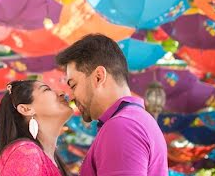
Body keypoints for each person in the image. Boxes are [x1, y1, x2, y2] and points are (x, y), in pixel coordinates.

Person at [56, 34, 168, 175]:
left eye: (73, 85)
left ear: (98, 77)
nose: (72, 97)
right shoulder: (133, 120)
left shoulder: (122, 126)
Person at [0, 80, 73, 176]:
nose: (61, 93)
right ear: (26, 109)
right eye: (46, 89)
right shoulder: (26, 153)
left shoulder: (42, 155)